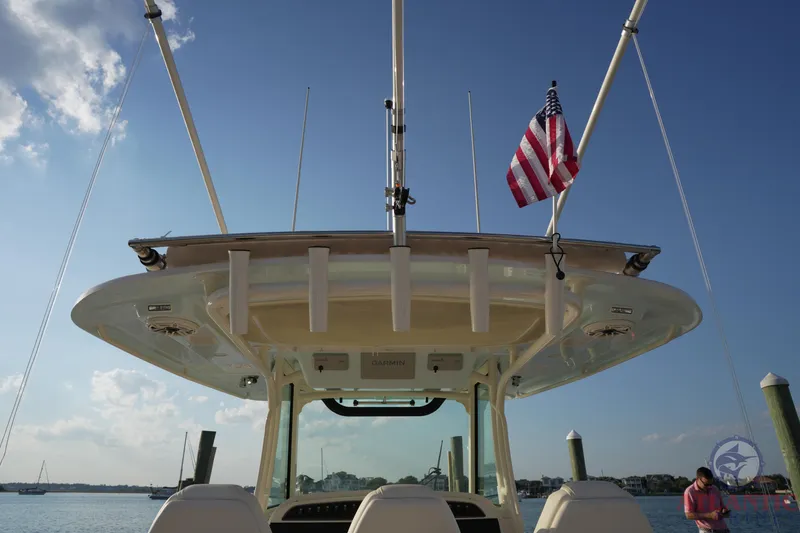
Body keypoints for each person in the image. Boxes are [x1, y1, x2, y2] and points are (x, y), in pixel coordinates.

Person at [684, 467, 731, 532]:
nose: (709, 487)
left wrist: (724, 511)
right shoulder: (690, 492)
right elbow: (689, 515)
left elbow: (722, 507)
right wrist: (710, 515)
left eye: (710, 484)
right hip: (708, 530)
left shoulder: (714, 489)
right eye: (706, 484)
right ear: (698, 479)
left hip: (724, 529)